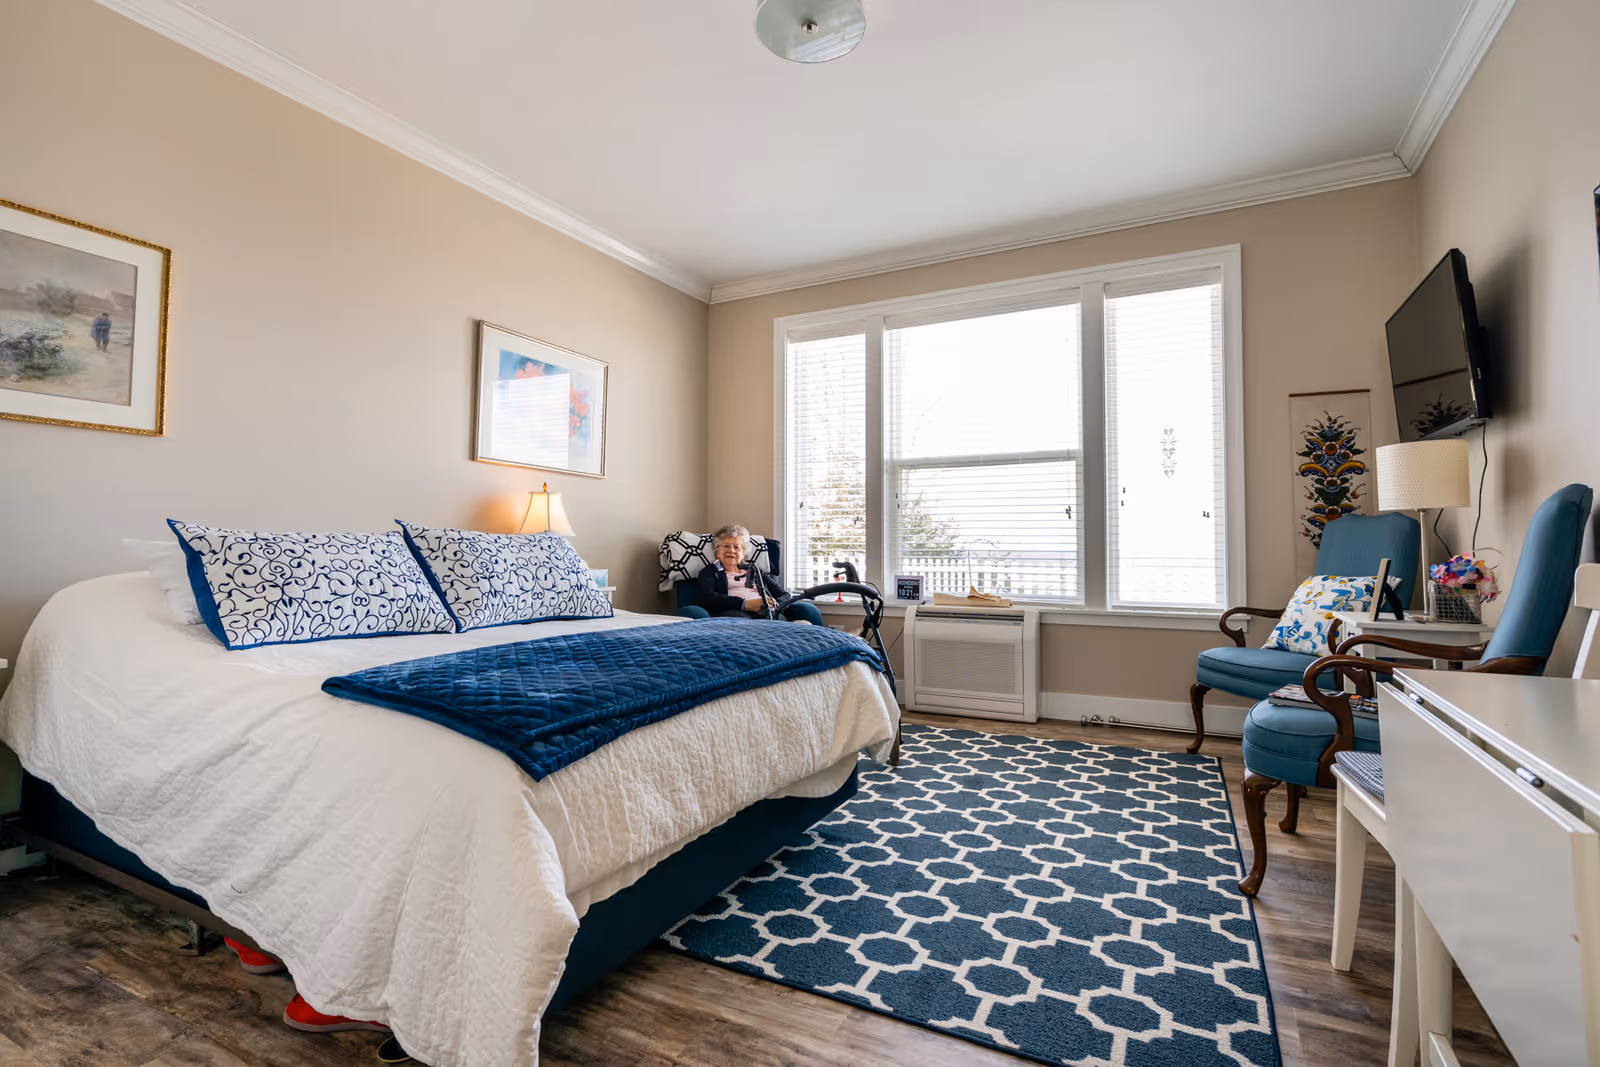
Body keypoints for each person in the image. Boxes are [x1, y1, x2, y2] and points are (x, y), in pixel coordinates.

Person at [694, 524, 823, 625]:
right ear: (717, 552)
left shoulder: (754, 570)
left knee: (807, 614)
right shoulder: (711, 572)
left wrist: (774, 604)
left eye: (737, 547)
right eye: (726, 546)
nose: (731, 551)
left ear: (743, 554)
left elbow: (785, 594)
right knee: (741, 620)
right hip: (737, 615)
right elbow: (705, 598)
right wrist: (745, 604)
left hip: (769, 613)